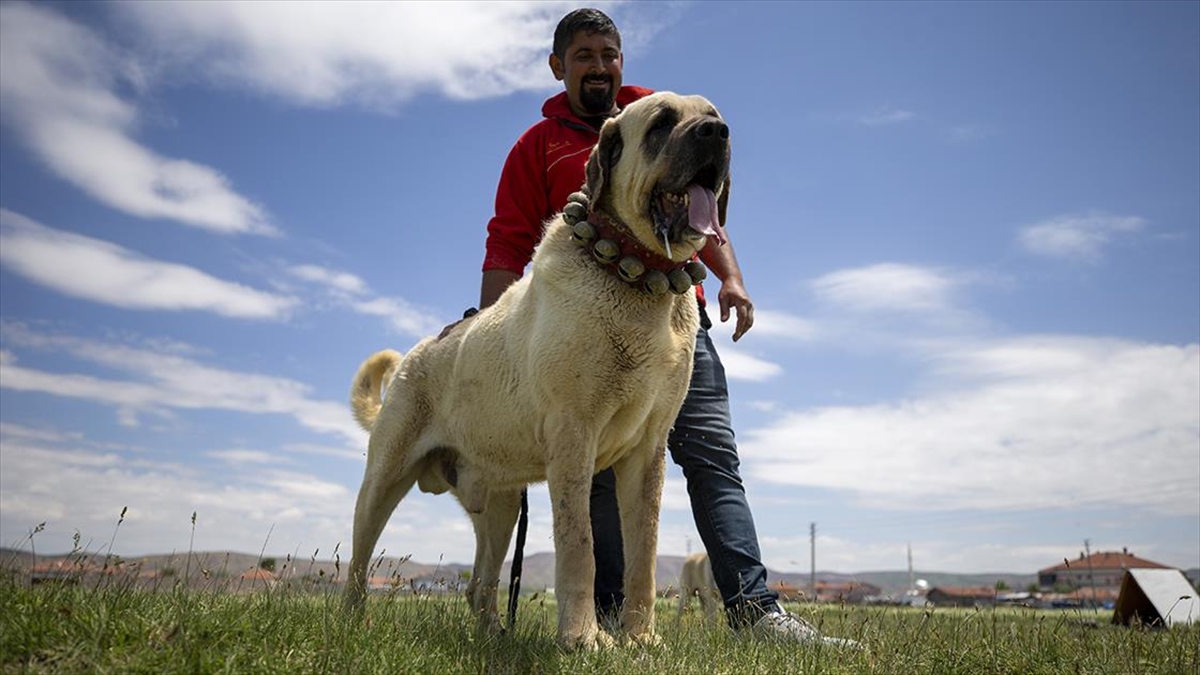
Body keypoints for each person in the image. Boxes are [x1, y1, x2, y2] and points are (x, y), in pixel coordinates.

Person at [478, 8, 855, 647]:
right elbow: (508, 242)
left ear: (622, 61)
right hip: (584, 332)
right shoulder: (536, 146)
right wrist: (492, 332)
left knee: (712, 454)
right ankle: (605, 617)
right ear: (558, 66)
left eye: (609, 54)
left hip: (679, 320)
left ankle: (756, 611)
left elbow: (705, 218)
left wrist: (732, 280)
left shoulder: (667, 116)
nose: (599, 66)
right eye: (584, 55)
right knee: (596, 472)